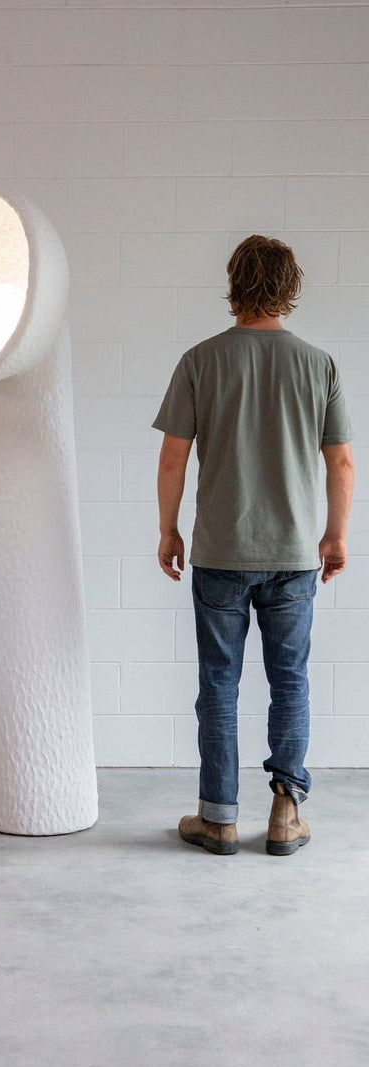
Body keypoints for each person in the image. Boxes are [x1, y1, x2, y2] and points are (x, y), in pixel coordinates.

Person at [152, 235, 355, 856]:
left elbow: (172, 458)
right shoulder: (318, 364)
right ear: (289, 287)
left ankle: (218, 819)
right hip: (293, 555)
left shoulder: (200, 360)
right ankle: (286, 815)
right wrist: (335, 535)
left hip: (220, 552)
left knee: (219, 685)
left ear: (235, 282)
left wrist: (168, 529)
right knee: (290, 682)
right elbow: (342, 462)